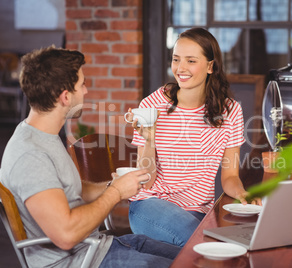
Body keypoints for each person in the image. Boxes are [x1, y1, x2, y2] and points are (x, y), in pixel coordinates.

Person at [0, 46, 181, 268]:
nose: (86, 91)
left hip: (100, 247)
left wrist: (114, 185)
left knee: (192, 257)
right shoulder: (30, 156)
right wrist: (115, 193)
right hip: (81, 261)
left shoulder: (43, 136)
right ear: (65, 97)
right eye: (81, 85)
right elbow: (65, 234)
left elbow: (70, 191)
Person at [126, 27, 261, 247]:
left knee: (208, 245)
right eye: (176, 59)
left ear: (210, 66)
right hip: (150, 206)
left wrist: (242, 194)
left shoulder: (230, 111)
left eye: (191, 61)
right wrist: (149, 139)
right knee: (211, 245)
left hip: (198, 212)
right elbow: (146, 181)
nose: (181, 68)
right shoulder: (152, 106)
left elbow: (229, 177)